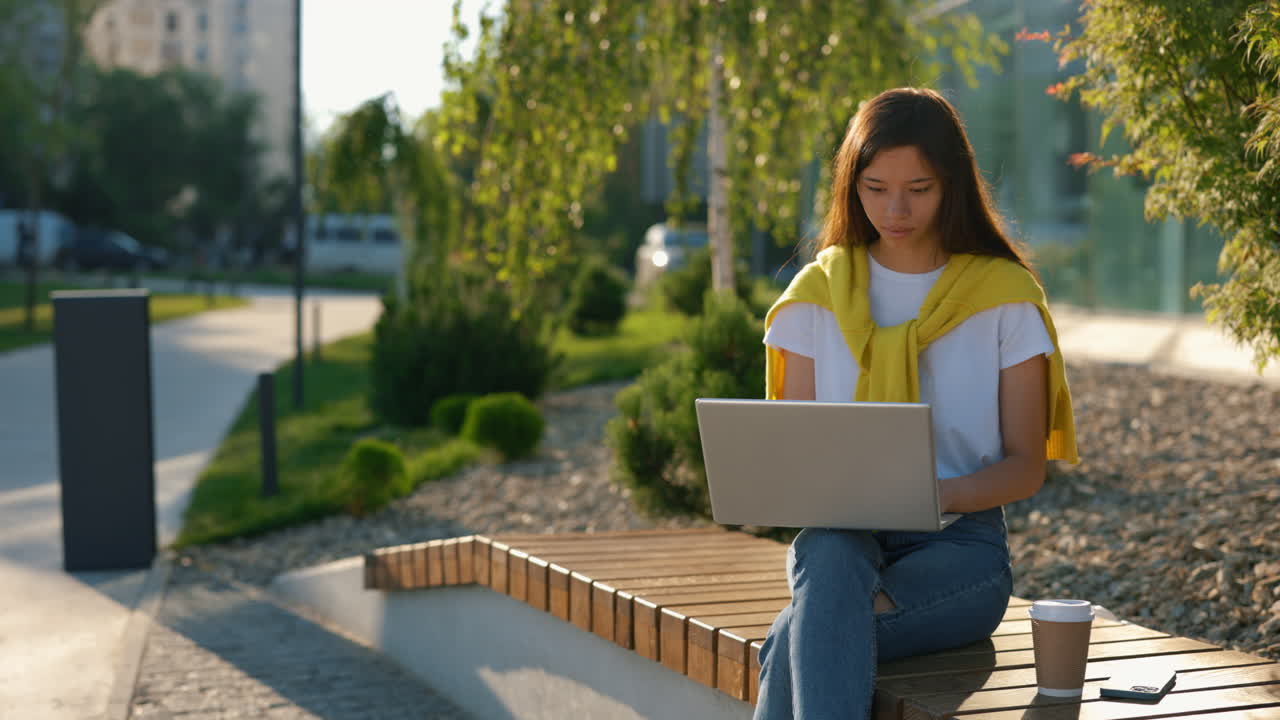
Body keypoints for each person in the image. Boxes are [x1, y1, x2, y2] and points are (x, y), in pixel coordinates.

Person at [753, 87, 1079, 719]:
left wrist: (934, 493)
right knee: (827, 550)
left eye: (918, 188)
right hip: (841, 545)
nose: (895, 209)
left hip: (960, 553)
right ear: (852, 186)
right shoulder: (815, 295)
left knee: (798, 634)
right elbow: (796, 459)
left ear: (951, 184)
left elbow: (1025, 466)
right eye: (875, 188)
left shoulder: (1004, 296)